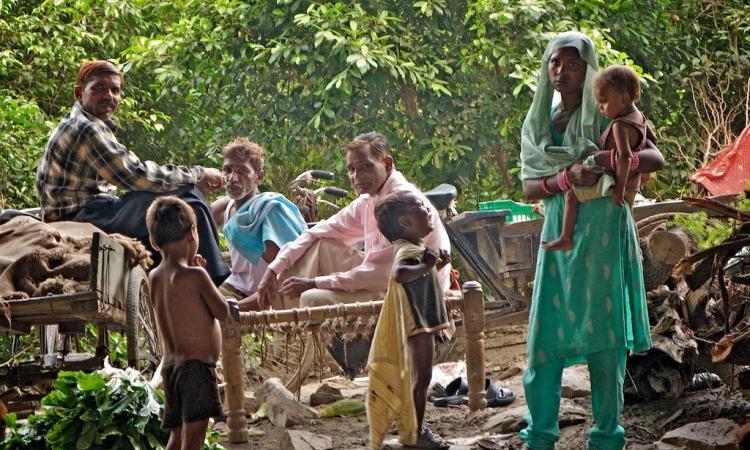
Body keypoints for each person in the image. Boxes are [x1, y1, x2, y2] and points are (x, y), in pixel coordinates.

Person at [519, 32, 663, 450]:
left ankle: (605, 436)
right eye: (555, 64)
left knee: (605, 337)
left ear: (590, 70)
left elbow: (657, 158)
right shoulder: (538, 123)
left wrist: (616, 161)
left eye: (573, 63)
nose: (562, 71)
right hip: (560, 236)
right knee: (545, 335)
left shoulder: (608, 112)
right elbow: (531, 188)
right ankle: (540, 434)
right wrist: (566, 177)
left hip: (604, 236)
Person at [36, 60, 230, 285]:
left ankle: (183, 283)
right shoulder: (86, 129)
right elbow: (136, 175)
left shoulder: (87, 123)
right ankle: (216, 282)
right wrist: (198, 173)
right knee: (186, 197)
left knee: (177, 204)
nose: (109, 95)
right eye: (99, 88)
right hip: (80, 217)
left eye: (115, 90)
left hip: (92, 209)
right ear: (79, 92)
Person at [256, 131, 452, 311]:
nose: (357, 176)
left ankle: (282, 319)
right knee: (318, 245)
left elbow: (381, 275)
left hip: (408, 293)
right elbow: (319, 231)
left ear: (387, 164)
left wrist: (313, 283)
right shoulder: (368, 200)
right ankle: (277, 302)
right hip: (382, 277)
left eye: (366, 166)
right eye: (351, 169)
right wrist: (273, 270)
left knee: (312, 299)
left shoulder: (400, 202)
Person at [367, 190, 451, 450]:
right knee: (422, 377)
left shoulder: (415, 248)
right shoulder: (405, 249)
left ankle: (415, 428)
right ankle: (415, 432)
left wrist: (433, 266)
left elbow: (417, 280)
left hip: (422, 322)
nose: (429, 210)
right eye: (422, 208)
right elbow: (400, 274)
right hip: (417, 325)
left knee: (422, 377)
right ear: (405, 222)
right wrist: (427, 265)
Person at [542, 64, 656, 251]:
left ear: (624, 98)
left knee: (571, 193)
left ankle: (565, 237)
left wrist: (618, 189)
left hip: (617, 183)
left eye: (603, 102)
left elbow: (625, 157)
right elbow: (649, 142)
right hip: (631, 183)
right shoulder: (640, 118)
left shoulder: (619, 125)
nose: (601, 108)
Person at [145, 196, 229, 450]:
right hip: (196, 369)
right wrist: (204, 277)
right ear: (193, 233)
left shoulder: (155, 277)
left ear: (154, 241)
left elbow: (179, 306)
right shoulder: (196, 275)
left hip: (171, 370)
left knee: (177, 435)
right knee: (194, 438)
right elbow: (222, 310)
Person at [210, 138, 307, 311]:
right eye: (228, 170)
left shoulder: (266, 214)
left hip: (261, 294)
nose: (232, 178)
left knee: (207, 314)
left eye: (242, 171)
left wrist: (236, 308)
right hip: (235, 286)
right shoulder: (229, 205)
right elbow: (198, 218)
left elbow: (282, 277)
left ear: (259, 176)